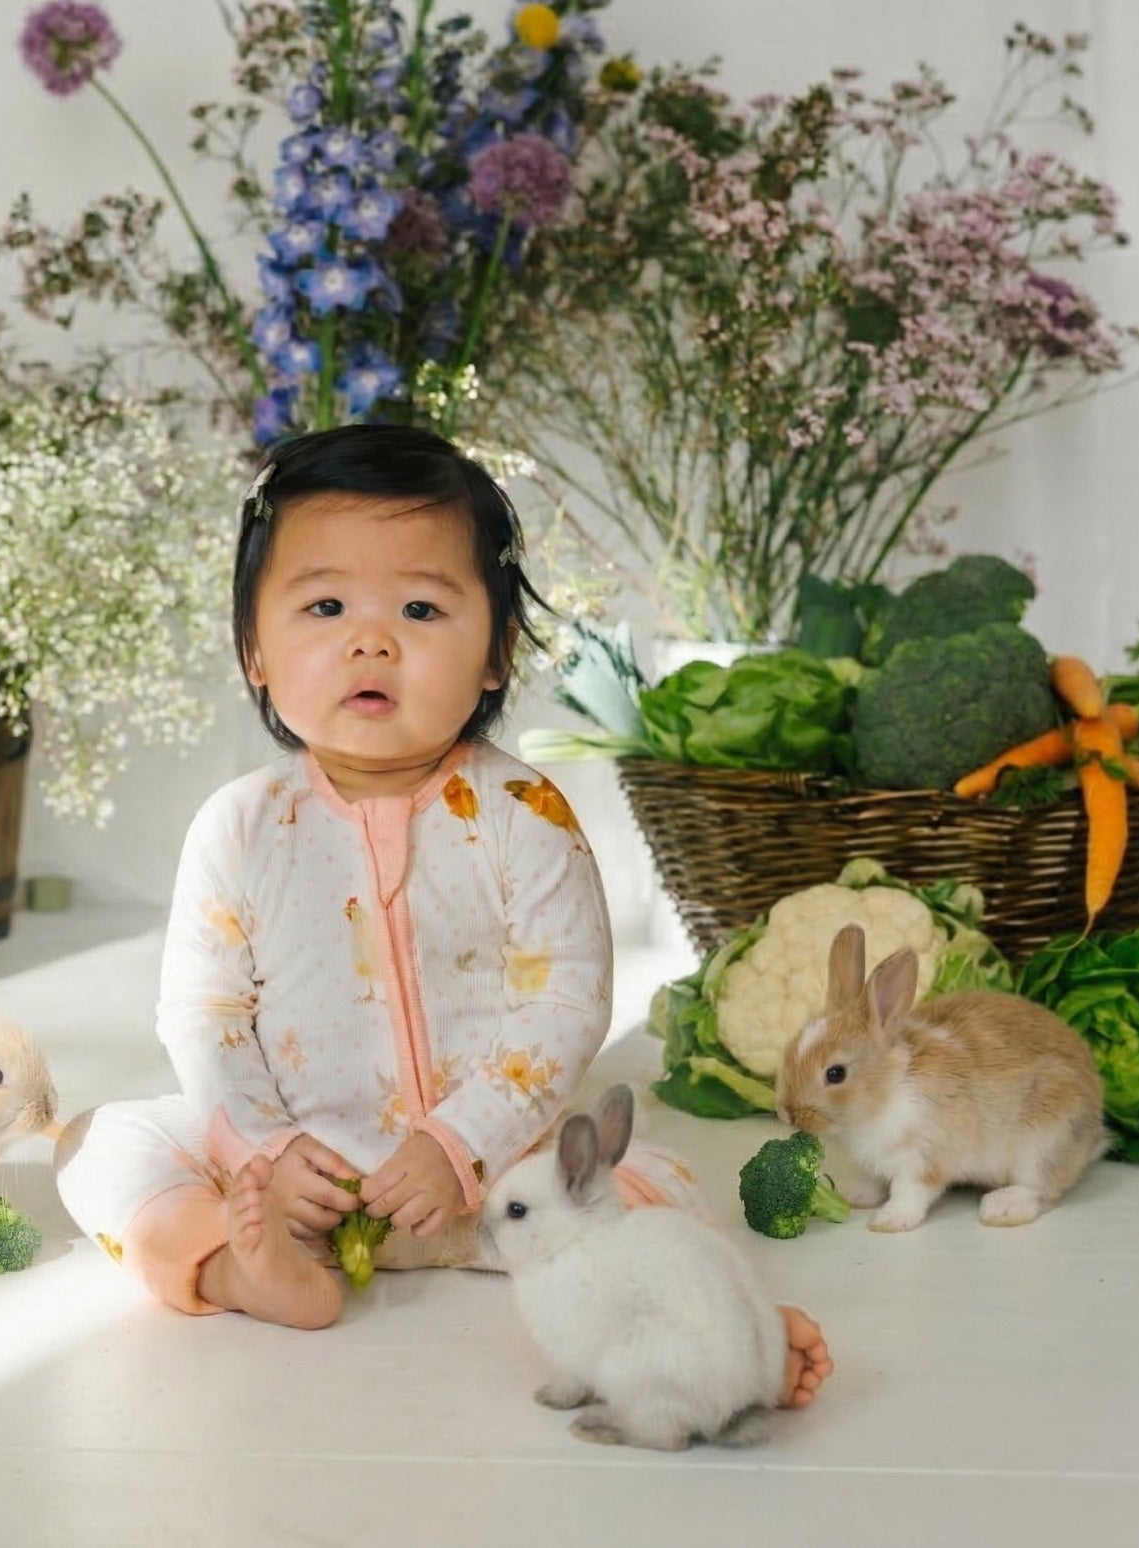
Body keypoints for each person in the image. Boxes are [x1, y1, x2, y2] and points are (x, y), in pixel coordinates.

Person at [54, 424, 831, 1407]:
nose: (371, 640)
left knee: (653, 1181)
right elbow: (206, 1019)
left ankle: (725, 1333)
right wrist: (263, 1156)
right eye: (325, 605)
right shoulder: (240, 827)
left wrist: (461, 1144)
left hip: (499, 1186)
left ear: (497, 652)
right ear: (255, 650)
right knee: (101, 1142)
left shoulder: (523, 814)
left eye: (420, 608)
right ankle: (235, 1268)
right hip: (301, 1193)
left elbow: (565, 1005)